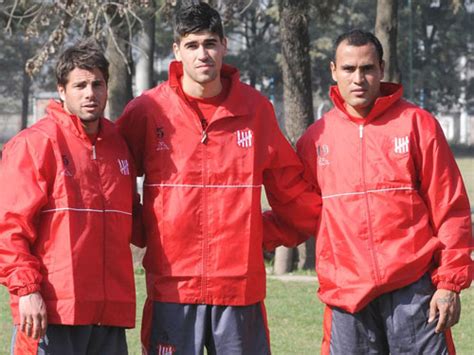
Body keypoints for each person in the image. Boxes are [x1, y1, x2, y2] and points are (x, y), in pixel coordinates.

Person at [116, 2, 319, 354]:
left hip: (239, 289)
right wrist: (146, 228)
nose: (202, 54)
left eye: (210, 43)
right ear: (177, 50)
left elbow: (292, 193)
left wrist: (260, 233)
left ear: (224, 45)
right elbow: (111, 179)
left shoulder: (255, 110)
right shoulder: (148, 111)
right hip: (173, 289)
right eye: (192, 45)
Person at [278, 29, 472, 354]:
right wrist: (248, 234)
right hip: (347, 296)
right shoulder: (315, 140)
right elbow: (298, 214)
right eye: (349, 69)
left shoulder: (417, 125)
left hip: (413, 291)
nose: (358, 78)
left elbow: (450, 209)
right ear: (333, 71)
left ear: (381, 69)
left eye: (367, 68)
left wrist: (449, 283)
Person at [0, 39, 141, 354]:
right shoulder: (34, 145)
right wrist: (27, 292)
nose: (90, 93)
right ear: (61, 90)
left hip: (109, 316)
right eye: (79, 85)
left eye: (97, 84)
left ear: (106, 87)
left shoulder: (118, 146)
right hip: (52, 313)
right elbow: (9, 230)